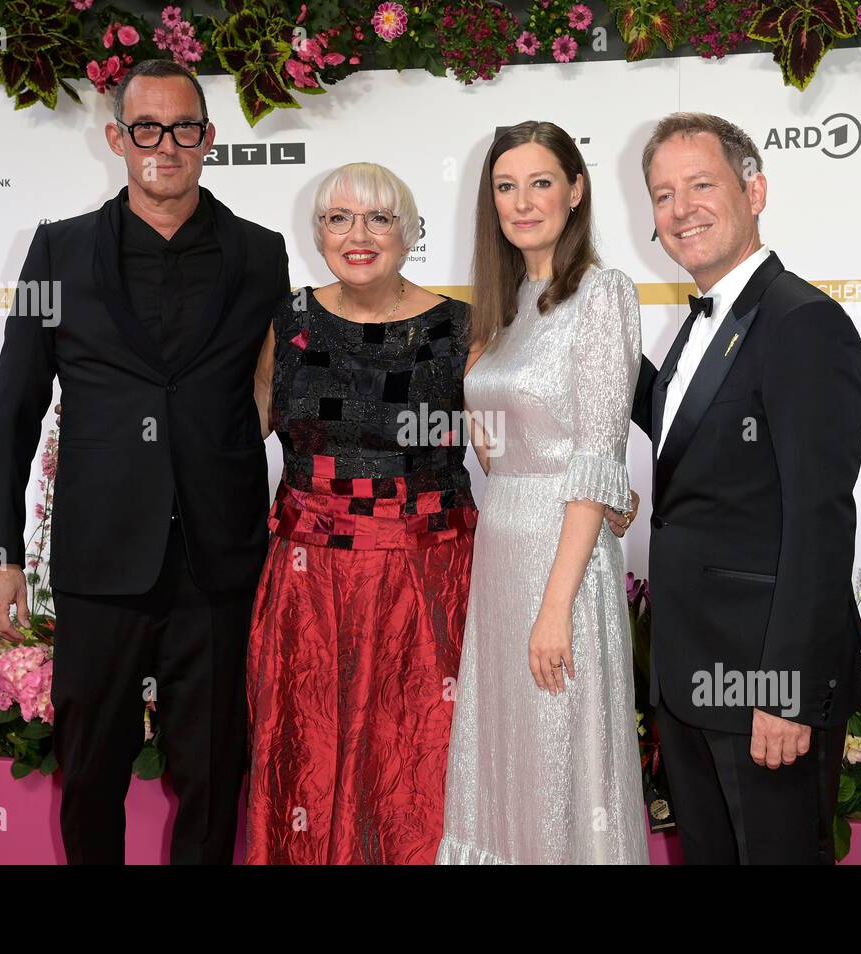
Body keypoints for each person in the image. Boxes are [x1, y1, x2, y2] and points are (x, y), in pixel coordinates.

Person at [0, 60, 288, 864]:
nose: (165, 145)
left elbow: (280, 392)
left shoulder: (261, 255)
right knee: (89, 774)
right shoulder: (57, 251)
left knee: (214, 778)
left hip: (217, 563)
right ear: (117, 138)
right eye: (145, 128)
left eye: (184, 129)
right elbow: (13, 409)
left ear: (208, 139)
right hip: (101, 557)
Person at [631, 112, 861, 864]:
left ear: (756, 190)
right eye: (663, 194)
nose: (682, 210)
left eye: (701, 185)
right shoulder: (699, 324)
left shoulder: (803, 322)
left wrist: (786, 693)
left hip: (762, 682)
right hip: (690, 674)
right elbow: (686, 446)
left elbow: (819, 519)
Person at [244, 163, 476, 864]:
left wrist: (597, 486)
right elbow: (238, 430)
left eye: (379, 218)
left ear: (409, 234)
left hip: (427, 585)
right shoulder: (289, 322)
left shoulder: (459, 328)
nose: (358, 235)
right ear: (317, 233)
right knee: (306, 759)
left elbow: (512, 443)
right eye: (338, 218)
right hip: (309, 585)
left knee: (418, 769)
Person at [437, 122, 649, 864]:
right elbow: (498, 452)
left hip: (563, 567)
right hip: (503, 553)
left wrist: (556, 608)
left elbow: (595, 460)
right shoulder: (500, 306)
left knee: (564, 758)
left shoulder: (602, 295)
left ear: (576, 190)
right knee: (509, 758)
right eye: (505, 186)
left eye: (540, 182)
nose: (522, 202)